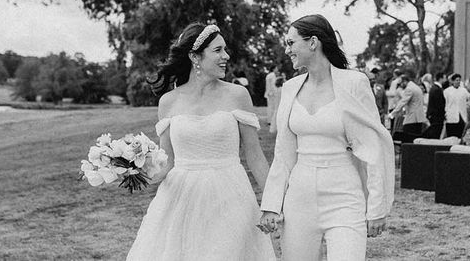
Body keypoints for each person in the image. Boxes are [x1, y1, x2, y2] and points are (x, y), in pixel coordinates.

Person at [127, 23, 275, 261]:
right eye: (218, 50)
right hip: (180, 199)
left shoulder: (237, 95)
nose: (226, 56)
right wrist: (133, 170)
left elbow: (255, 156)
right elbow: (167, 161)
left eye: (225, 50)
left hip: (230, 197)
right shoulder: (168, 102)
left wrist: (273, 203)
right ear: (195, 56)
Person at [259, 14, 395, 261]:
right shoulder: (290, 88)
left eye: (291, 43)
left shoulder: (354, 83)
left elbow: (373, 146)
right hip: (299, 197)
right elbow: (283, 154)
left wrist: (377, 207)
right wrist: (271, 204)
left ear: (313, 42)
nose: (287, 50)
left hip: (345, 194)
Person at [389, 70, 426, 136]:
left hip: (412, 118)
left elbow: (403, 102)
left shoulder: (409, 89)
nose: (400, 85)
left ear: (405, 81)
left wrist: (393, 113)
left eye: (401, 83)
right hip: (419, 117)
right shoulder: (415, 87)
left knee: (407, 138)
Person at [443, 73, 469, 139]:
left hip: (461, 116)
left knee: (460, 135)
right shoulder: (447, 91)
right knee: (451, 135)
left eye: (459, 80)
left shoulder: (463, 90)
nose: (458, 82)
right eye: (456, 80)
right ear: (453, 81)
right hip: (451, 115)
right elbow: (445, 103)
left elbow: (469, 97)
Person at [422, 71, 445, 139]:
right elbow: (439, 104)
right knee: (435, 134)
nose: (445, 80)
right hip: (437, 117)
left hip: (434, 116)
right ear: (440, 79)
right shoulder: (437, 89)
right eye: (444, 78)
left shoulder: (434, 88)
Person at [265, 64, 278, 128]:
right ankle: (271, 121)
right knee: (272, 107)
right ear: (274, 69)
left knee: (269, 107)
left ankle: (269, 121)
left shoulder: (268, 75)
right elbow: (273, 85)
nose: (277, 70)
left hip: (268, 93)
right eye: (276, 68)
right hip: (272, 93)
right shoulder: (272, 75)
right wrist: (276, 92)